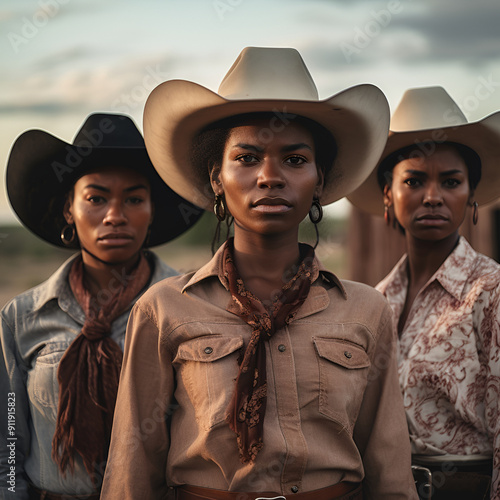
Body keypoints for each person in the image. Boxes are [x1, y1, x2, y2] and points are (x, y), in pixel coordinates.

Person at [100, 47, 418, 500]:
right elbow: (134, 464)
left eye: (294, 160)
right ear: (217, 179)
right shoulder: (163, 308)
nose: (269, 176)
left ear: (320, 183)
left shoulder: (366, 311)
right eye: (247, 158)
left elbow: (388, 466)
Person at [0, 113, 203, 499]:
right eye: (95, 198)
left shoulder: (189, 306)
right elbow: (8, 442)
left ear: (152, 211)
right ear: (69, 211)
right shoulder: (21, 318)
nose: (114, 215)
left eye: (134, 199)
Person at [348, 86, 500, 499]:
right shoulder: (376, 299)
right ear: (387, 194)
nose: (432, 197)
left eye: (451, 181)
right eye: (414, 180)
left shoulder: (491, 290)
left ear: (471, 195)